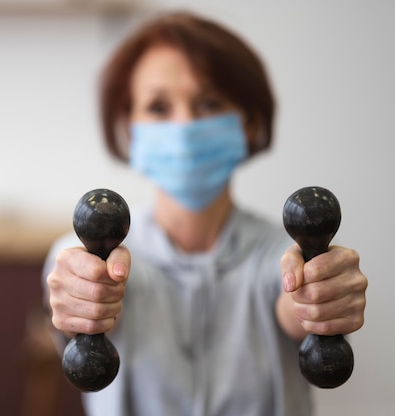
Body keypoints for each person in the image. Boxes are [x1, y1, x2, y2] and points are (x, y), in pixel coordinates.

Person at [42, 10, 367, 416]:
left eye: (209, 102)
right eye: (158, 107)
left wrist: (318, 297)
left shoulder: (282, 257)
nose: (184, 126)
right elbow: (74, 317)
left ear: (246, 123)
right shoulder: (82, 258)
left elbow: (293, 303)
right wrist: (82, 301)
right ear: (129, 128)